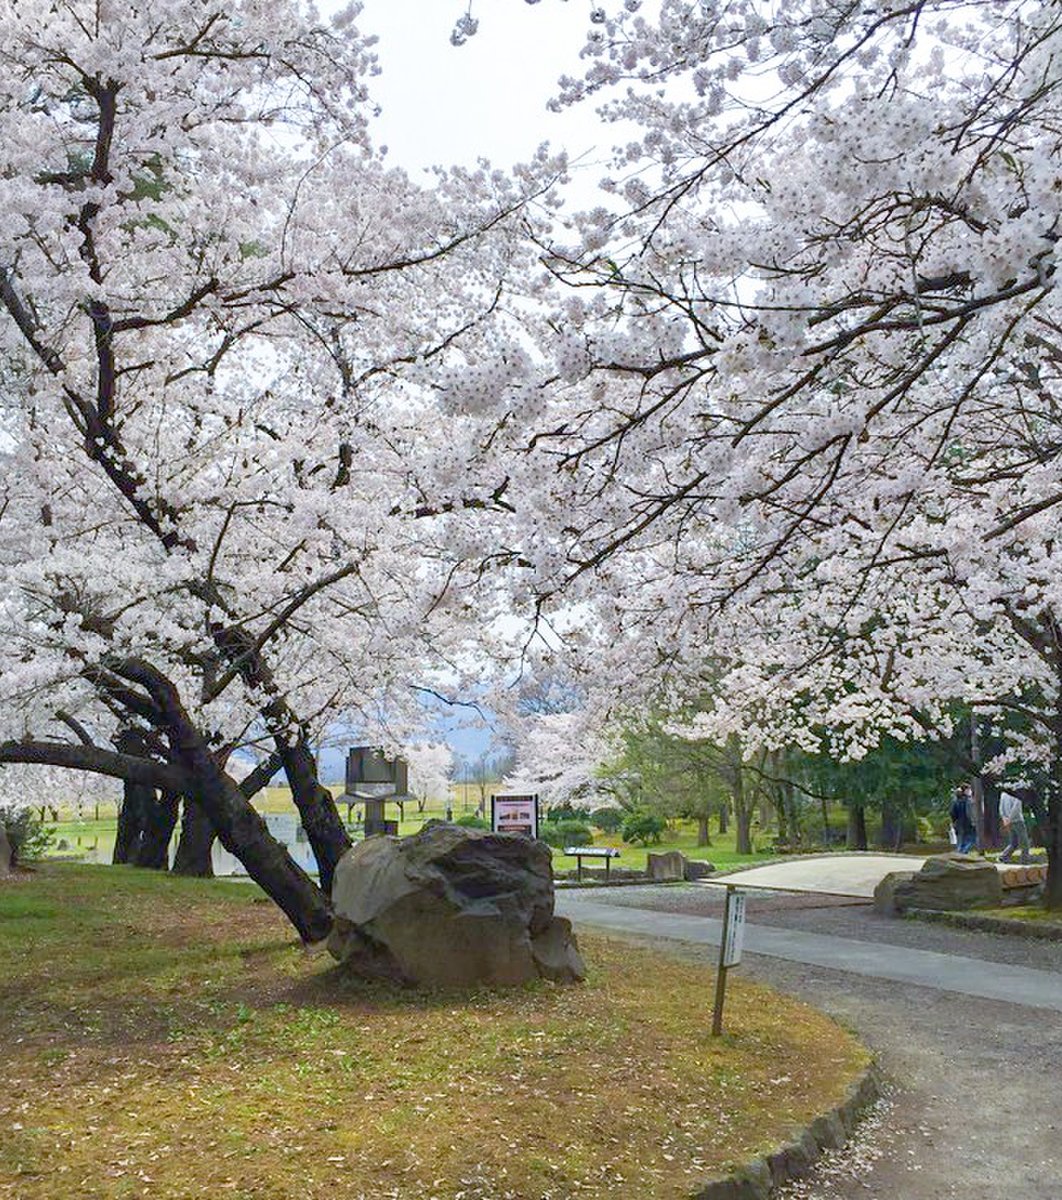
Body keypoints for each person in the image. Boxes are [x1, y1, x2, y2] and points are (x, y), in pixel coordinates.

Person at [998, 790, 1032, 864]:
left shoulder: (1003, 794)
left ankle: (1004, 857)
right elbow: (1016, 808)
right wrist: (1010, 819)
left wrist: (1004, 818)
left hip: (1008, 821)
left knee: (1014, 842)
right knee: (1025, 842)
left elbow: (1001, 807)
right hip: (1017, 820)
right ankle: (1025, 860)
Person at [949, 785, 977, 853]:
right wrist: (974, 821)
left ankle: (960, 854)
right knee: (972, 839)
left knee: (960, 841)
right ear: (965, 791)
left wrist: (954, 821)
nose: (970, 791)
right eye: (969, 789)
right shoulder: (969, 800)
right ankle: (962, 852)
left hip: (959, 824)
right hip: (968, 824)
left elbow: (952, 813)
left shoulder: (956, 800)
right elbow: (971, 813)